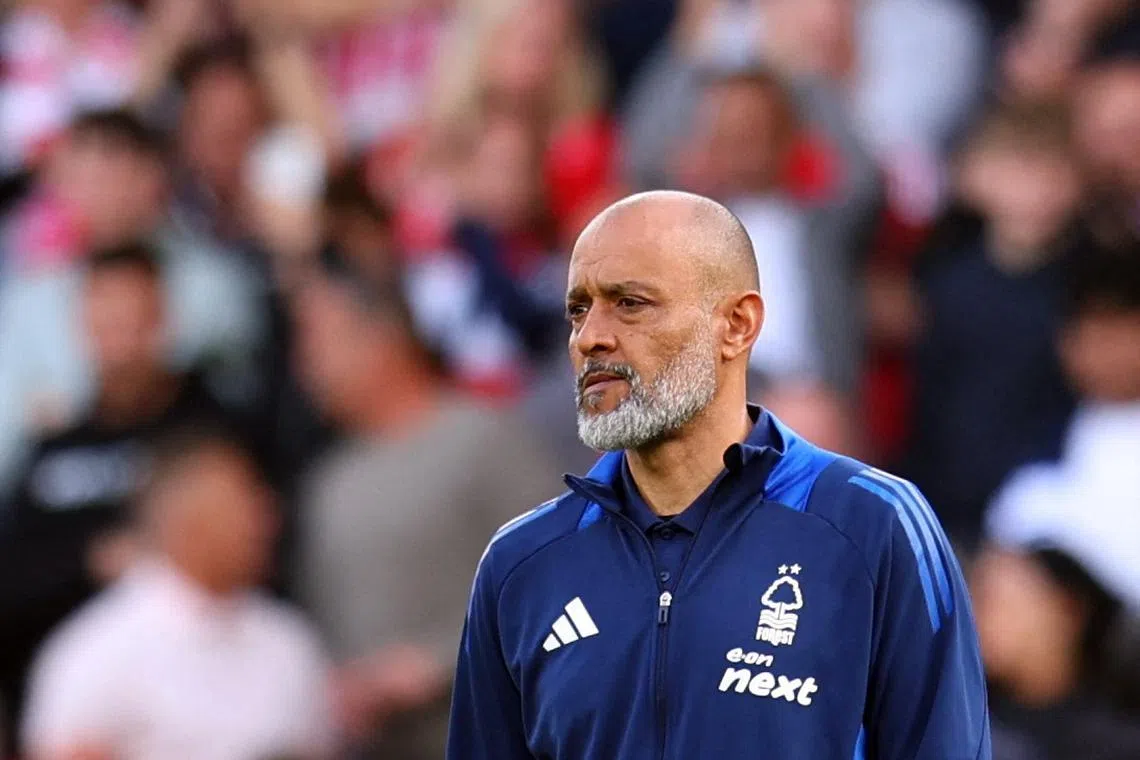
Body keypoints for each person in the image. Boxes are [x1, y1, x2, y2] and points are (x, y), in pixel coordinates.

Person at [448, 190, 990, 760]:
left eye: (629, 303)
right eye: (579, 310)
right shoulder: (521, 564)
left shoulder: (873, 524)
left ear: (736, 324)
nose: (590, 337)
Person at [294, 245, 558, 759]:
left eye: (316, 339)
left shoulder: (482, 438)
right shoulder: (327, 485)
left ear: (381, 335)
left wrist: (433, 663)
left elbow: (557, 577)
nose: (306, 365)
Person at [0, 242, 231, 744]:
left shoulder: (211, 435)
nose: (120, 344)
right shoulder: (52, 452)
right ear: (81, 327)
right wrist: (90, 561)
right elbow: (10, 580)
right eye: (105, 325)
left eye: (133, 323)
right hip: (68, 715)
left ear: (163, 320)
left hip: (200, 713)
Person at [21, 425, 335, 760]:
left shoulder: (287, 639)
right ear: (185, 518)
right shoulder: (97, 650)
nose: (266, 519)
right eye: (243, 501)